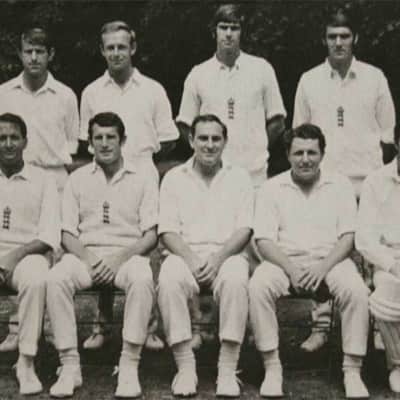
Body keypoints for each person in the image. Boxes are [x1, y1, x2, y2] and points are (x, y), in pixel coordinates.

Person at [177, 3, 286, 348]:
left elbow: (277, 120)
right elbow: (186, 124)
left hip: (253, 176)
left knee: (253, 252)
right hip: (211, 179)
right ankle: (204, 324)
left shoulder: (261, 69)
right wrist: (208, 157)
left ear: (242, 31)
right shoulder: (198, 74)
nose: (228, 34)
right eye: (223, 27)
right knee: (210, 245)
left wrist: (253, 152)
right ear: (214, 31)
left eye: (234, 27)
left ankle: (251, 325)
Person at [292, 7, 396, 352]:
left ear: (355, 39)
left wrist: (376, 180)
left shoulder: (374, 78)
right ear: (324, 40)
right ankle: (321, 324)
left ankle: (379, 324)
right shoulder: (309, 80)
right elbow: (301, 134)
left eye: (344, 36)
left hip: (366, 183)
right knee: (323, 250)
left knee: (369, 256)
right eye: (332, 36)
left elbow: (388, 136)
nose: (338, 42)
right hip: (325, 183)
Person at [249, 124, 370, 399]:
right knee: (258, 286)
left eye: (312, 153)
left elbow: (348, 236)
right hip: (284, 263)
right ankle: (272, 367)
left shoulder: (340, 185)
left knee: (356, 290)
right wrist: (291, 270)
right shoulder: (271, 188)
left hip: (331, 262)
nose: (305, 159)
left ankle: (352, 370)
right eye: (299, 153)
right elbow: (264, 240)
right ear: (288, 155)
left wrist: (323, 268)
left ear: (322, 154)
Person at [79, 20, 177, 350]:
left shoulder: (153, 89)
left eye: (122, 46)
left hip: (142, 176)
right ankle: (102, 324)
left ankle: (149, 326)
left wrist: (139, 163)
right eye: (110, 47)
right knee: (105, 241)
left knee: (147, 247)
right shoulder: (92, 92)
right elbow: (87, 140)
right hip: (104, 178)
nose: (116, 53)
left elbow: (168, 139)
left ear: (132, 48)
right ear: (102, 51)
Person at [46, 112, 157, 398]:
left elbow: (150, 235)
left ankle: (129, 365)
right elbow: (66, 233)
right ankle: (69, 365)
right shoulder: (77, 179)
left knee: (143, 278)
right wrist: (89, 259)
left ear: (123, 141)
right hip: (86, 257)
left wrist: (118, 259)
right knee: (56, 278)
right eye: (98, 138)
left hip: (127, 257)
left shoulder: (143, 178)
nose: (105, 144)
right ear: (90, 142)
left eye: (111, 137)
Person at [157, 114, 253, 397]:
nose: (209, 145)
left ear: (225, 142)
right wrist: (192, 260)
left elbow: (245, 229)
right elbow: (167, 231)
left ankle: (227, 369)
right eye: (203, 138)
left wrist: (217, 259)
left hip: (227, 255)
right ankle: (185, 367)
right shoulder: (174, 178)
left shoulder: (240, 177)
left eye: (215, 139)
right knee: (169, 279)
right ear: (191, 140)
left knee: (236, 279)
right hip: (185, 255)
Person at [0, 26, 79, 352]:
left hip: (54, 178)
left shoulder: (65, 95)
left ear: (50, 55)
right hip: (13, 176)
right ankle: (19, 328)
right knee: (17, 244)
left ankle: (51, 328)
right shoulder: (4, 92)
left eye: (40, 51)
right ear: (20, 54)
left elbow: (72, 141)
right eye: (28, 51)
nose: (34, 57)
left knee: (53, 254)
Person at [0, 113, 60, 395]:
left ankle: (26, 361)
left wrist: (12, 257)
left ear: (25, 141)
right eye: (2, 138)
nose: (8, 144)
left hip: (27, 257)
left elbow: (49, 235)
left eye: (14, 137)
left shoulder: (43, 179)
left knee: (37, 277)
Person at [356, 125, 400, 393]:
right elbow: (364, 239)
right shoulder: (375, 181)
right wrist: (393, 265)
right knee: (390, 288)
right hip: (388, 259)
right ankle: (397, 364)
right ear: (397, 143)